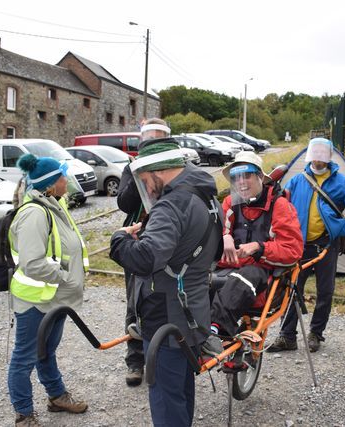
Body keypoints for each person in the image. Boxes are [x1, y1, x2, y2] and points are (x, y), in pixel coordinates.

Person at [110, 139, 222, 427]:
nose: (147, 189)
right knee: (180, 393)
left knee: (166, 401)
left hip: (166, 316)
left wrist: (120, 239)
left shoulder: (171, 205)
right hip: (193, 312)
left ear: (159, 171)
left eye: (146, 181)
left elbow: (145, 259)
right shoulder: (207, 195)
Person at [7, 154, 90, 427]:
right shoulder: (35, 214)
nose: (68, 179)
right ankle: (24, 414)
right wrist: (66, 277)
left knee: (46, 350)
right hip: (35, 300)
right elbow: (32, 264)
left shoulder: (55, 204)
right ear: (51, 185)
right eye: (62, 176)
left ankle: (56, 397)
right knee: (25, 357)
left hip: (54, 297)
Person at [269, 138, 345, 353]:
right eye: (315, 153)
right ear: (310, 155)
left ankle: (316, 333)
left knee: (325, 291)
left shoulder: (343, 183)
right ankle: (287, 336)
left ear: (329, 156)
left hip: (326, 245)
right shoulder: (296, 181)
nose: (318, 158)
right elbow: (281, 206)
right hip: (298, 246)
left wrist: (341, 229)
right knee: (292, 289)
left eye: (323, 154)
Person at [205, 151, 303, 353]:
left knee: (244, 277)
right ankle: (192, 328)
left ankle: (215, 330)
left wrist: (259, 248)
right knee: (198, 277)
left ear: (260, 177)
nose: (241, 182)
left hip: (261, 274)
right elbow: (217, 227)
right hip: (230, 267)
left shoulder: (280, 206)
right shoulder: (230, 204)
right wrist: (224, 236)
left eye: (246, 175)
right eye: (235, 177)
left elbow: (293, 249)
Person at [117, 117, 171, 387]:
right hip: (140, 240)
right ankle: (135, 360)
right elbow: (124, 204)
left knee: (168, 300)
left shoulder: (175, 165)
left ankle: (166, 353)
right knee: (134, 301)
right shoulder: (133, 166)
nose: (152, 143)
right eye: (148, 138)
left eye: (158, 138)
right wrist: (139, 175)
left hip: (168, 242)